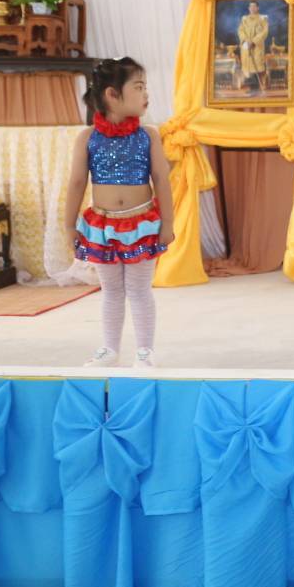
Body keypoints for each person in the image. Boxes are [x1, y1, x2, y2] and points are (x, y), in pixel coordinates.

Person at [63, 57, 173, 369]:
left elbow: (161, 179)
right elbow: (76, 183)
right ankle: (110, 349)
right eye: (138, 87)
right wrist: (69, 225)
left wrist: (168, 222)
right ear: (112, 95)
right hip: (102, 226)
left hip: (142, 225)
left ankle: (145, 351)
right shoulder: (87, 138)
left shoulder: (149, 135)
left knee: (139, 290)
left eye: (145, 87)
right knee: (111, 290)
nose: (146, 94)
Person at [238, 1, 269, 93]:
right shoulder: (244, 19)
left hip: (257, 46)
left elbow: (264, 32)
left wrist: (254, 41)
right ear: (249, 8)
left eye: (254, 6)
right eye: (250, 7)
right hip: (246, 45)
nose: (252, 8)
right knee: (248, 66)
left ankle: (257, 88)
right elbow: (240, 31)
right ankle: (250, 87)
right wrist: (246, 40)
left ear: (257, 8)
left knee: (256, 64)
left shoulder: (262, 19)